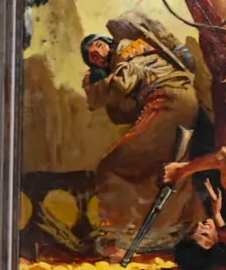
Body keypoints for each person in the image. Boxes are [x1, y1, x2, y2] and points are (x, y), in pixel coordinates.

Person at [81, 17, 199, 254]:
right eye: (93, 56)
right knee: (170, 170)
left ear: (108, 43)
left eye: (100, 46)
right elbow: (124, 110)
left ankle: (116, 235)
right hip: (181, 101)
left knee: (110, 167)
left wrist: (94, 87)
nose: (99, 54)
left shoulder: (124, 50)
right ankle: (171, 232)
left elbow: (122, 84)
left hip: (167, 101)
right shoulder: (128, 54)